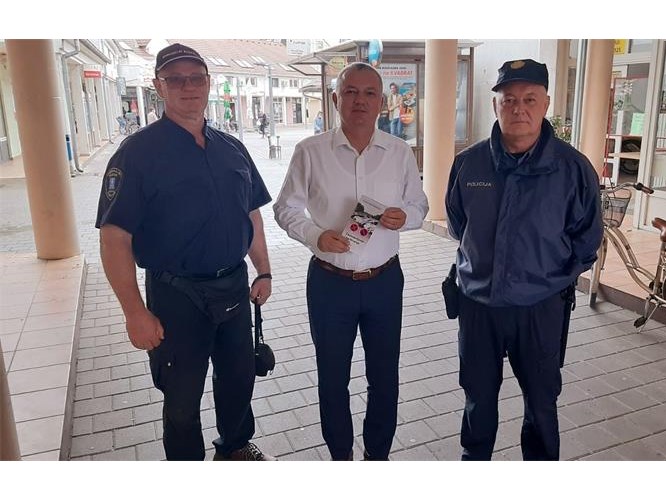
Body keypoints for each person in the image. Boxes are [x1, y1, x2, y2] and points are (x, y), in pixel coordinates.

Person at [95, 43, 276, 461]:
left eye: (196, 78)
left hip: (233, 287)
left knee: (238, 381)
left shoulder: (232, 148)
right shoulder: (137, 154)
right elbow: (114, 238)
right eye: (175, 79)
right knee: (181, 399)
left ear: (208, 84)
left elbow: (251, 214)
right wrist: (134, 312)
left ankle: (235, 449)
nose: (188, 87)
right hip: (176, 297)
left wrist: (263, 270)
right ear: (159, 87)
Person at [445, 58, 604, 461]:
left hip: (540, 309)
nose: (519, 108)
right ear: (495, 105)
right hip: (478, 306)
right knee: (478, 399)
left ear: (546, 104)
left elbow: (587, 241)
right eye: (509, 99)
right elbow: (458, 224)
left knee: (541, 403)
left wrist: (545, 278)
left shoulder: (572, 169)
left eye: (530, 99)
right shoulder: (469, 164)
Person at [274, 62, 428, 461]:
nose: (360, 100)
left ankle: (377, 455)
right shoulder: (310, 152)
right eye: (351, 92)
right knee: (332, 379)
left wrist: (406, 217)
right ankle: (340, 456)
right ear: (335, 98)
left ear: (382, 101)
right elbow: (285, 208)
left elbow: (419, 205)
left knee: (385, 378)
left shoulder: (399, 152)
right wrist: (314, 235)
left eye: (369, 93)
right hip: (330, 283)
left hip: (384, 282)